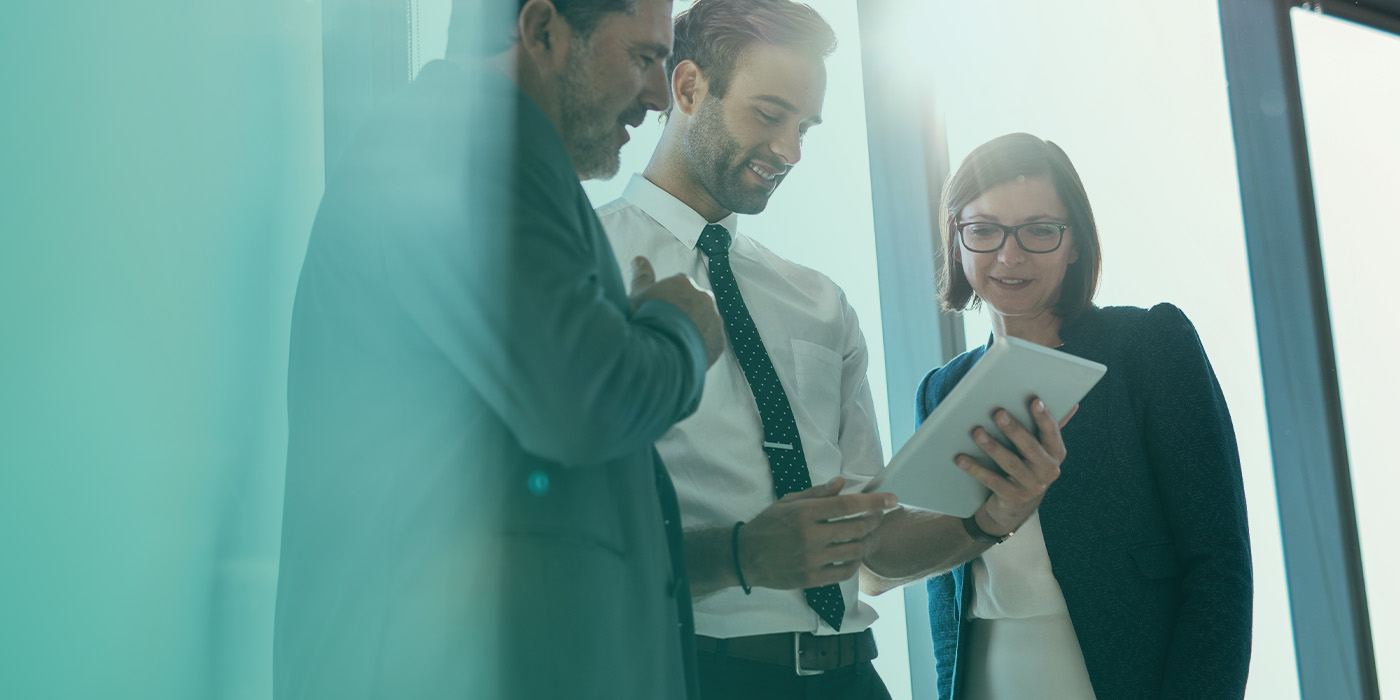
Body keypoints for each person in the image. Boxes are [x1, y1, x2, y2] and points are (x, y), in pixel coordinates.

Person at [599, 4, 1070, 698]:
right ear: (690, 87)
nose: (790, 151)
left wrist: (985, 520)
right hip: (699, 673)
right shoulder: (591, 264)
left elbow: (873, 544)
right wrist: (741, 555)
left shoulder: (819, 302)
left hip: (855, 677)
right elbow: (568, 534)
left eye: (804, 127)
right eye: (769, 114)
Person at [273, 1, 727, 698]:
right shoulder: (460, 140)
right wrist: (679, 333)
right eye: (642, 58)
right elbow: (585, 398)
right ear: (542, 30)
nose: (659, 95)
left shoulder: (479, 148)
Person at [915, 133, 1253, 700]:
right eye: (984, 229)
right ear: (956, 240)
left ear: (1075, 244)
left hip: (1118, 675)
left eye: (1040, 230)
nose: (1010, 255)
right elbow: (947, 591)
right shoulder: (940, 388)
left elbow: (1218, 566)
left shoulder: (1145, 345)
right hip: (987, 670)